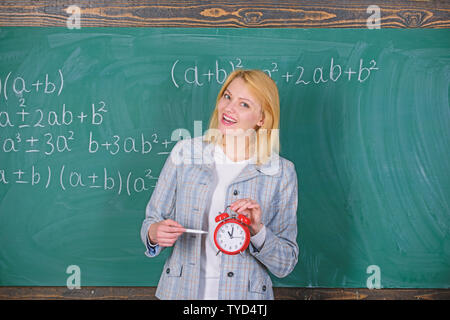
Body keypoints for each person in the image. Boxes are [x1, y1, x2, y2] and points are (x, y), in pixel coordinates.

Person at [140, 69, 299, 300]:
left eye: (244, 104)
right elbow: (151, 222)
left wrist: (257, 231)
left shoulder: (282, 173)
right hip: (179, 293)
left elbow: (285, 263)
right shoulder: (185, 153)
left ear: (262, 118)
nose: (229, 108)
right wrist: (155, 233)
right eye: (227, 96)